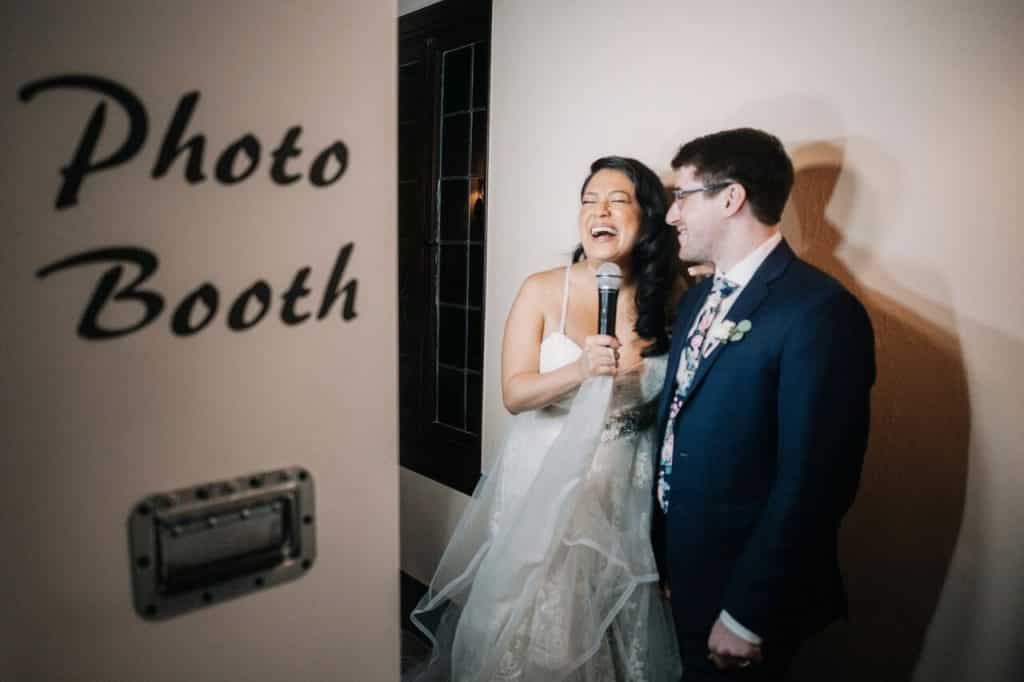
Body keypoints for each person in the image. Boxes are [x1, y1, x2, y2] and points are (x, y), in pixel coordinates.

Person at [409, 156, 683, 681]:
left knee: (622, 641)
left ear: (648, 217)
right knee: (548, 641)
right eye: (588, 200)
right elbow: (514, 393)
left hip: (628, 494)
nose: (598, 211)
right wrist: (580, 370)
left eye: (617, 201)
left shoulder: (671, 298)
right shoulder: (541, 289)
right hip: (547, 491)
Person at [653, 128, 876, 680]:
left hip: (744, 593)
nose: (670, 216)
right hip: (683, 571)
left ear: (730, 198)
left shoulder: (819, 311)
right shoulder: (698, 298)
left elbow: (816, 481)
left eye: (682, 197)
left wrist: (749, 613)